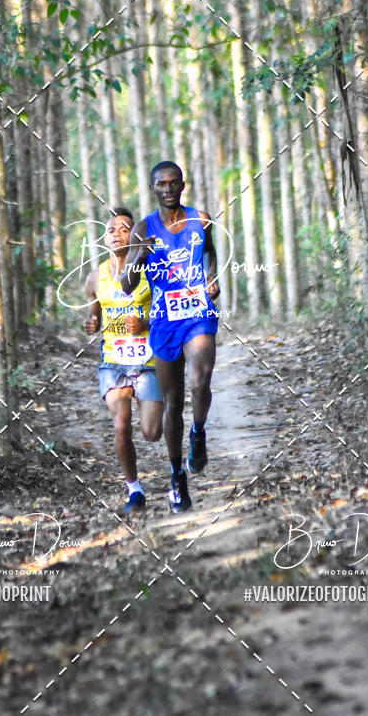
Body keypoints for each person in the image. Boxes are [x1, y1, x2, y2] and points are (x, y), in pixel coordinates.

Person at [120, 162, 220, 512]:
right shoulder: (144, 228)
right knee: (173, 402)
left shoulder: (200, 219)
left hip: (198, 314)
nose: (168, 188)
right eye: (161, 184)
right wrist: (139, 255)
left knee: (200, 378)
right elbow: (126, 284)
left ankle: (199, 431)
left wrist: (211, 277)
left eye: (174, 182)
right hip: (164, 321)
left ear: (183, 185)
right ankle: (177, 476)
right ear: (153, 188)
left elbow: (210, 253)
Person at [84, 208, 163, 514]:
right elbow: (91, 317)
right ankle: (135, 489)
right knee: (120, 425)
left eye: (124, 229)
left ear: (135, 236)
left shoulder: (150, 271)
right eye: (111, 230)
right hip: (113, 362)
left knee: (151, 433)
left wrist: (144, 321)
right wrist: (90, 324)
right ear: (105, 238)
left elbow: (166, 312)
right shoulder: (96, 277)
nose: (117, 234)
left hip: (148, 360)